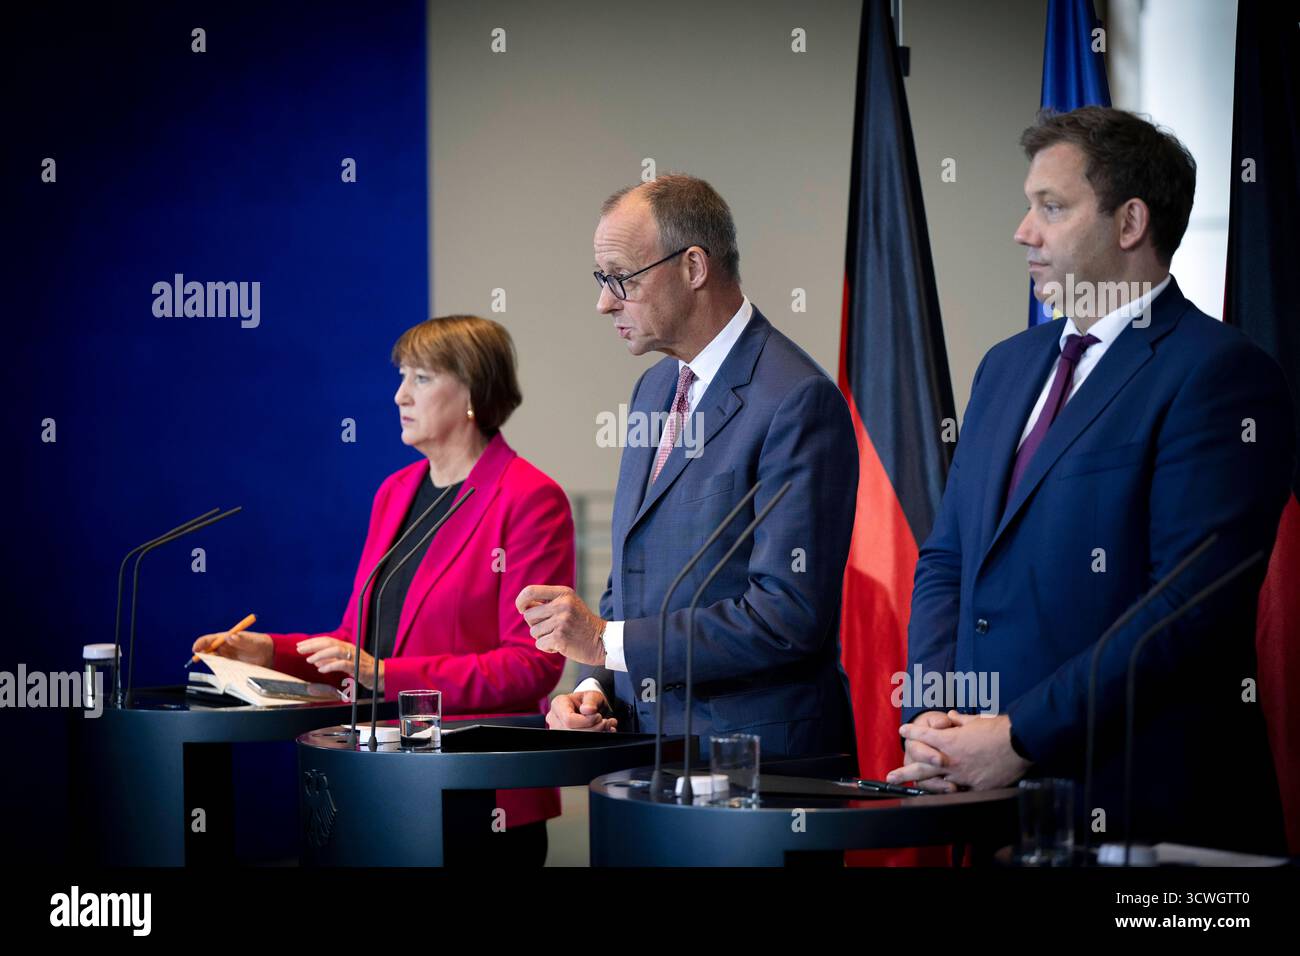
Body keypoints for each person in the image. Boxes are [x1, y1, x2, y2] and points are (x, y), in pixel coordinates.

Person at [889, 107, 1294, 854]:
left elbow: (1185, 612)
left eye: (1051, 207)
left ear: (1130, 221)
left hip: (1137, 808)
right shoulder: (1005, 366)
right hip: (985, 802)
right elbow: (949, 558)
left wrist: (1020, 734)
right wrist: (939, 717)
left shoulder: (1221, 375)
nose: (1023, 231)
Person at [193, 314, 573, 864]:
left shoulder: (528, 498)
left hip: (476, 789)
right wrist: (270, 652)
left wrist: (383, 675)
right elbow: (357, 641)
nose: (399, 395)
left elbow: (531, 665)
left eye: (420, 378)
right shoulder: (395, 492)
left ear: (471, 389)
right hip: (379, 778)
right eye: (401, 377)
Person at [516, 174, 857, 760]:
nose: (604, 302)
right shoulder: (654, 389)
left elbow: (785, 616)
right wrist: (596, 685)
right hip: (643, 755)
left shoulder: (797, 400)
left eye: (621, 278)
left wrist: (604, 641)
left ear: (693, 267)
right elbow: (633, 576)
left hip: (757, 768)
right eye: (602, 280)